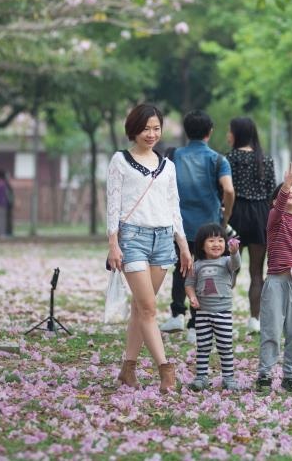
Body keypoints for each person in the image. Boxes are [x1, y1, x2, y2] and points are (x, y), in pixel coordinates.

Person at [106, 103, 192, 393]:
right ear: (133, 129)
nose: (151, 134)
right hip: (132, 240)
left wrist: (182, 243)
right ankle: (166, 370)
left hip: (163, 240)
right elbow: (113, 204)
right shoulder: (120, 161)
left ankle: (127, 370)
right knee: (149, 308)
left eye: (156, 128)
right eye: (146, 128)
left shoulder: (169, 166)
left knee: (140, 309)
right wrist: (113, 243)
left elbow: (174, 206)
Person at [159, 110, 234, 343]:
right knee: (203, 272)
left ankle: (177, 315)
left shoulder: (172, 155)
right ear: (209, 133)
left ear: (186, 131)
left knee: (181, 268)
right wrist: (224, 219)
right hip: (208, 225)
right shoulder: (218, 159)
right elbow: (229, 190)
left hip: (178, 224)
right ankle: (195, 325)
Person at [257, 162, 292, 392]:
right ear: (275, 202)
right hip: (275, 283)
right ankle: (265, 374)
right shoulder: (275, 219)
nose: (291, 193)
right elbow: (280, 204)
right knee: (271, 330)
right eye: (286, 191)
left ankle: (290, 375)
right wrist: (287, 184)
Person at [225, 116, 276, 335]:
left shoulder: (228, 159)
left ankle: (223, 319)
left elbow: (225, 190)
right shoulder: (265, 160)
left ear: (237, 134)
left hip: (235, 215)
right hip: (260, 216)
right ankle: (255, 320)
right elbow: (272, 191)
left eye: (230, 131)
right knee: (257, 272)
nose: (228, 135)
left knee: (229, 270)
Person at [185, 223, 242, 391]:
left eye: (220, 240)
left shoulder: (226, 262)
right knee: (203, 346)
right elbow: (189, 284)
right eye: (211, 240)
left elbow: (236, 265)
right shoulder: (197, 265)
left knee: (225, 347)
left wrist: (234, 253)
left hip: (223, 313)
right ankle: (201, 377)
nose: (216, 244)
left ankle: (229, 378)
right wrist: (192, 296)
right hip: (202, 313)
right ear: (202, 244)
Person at [0, 169, 15, 235]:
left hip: (7, 204)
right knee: (6, 219)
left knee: (8, 219)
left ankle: (9, 232)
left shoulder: (5, 184)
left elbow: (9, 195)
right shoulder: (5, 184)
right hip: (6, 203)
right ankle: (7, 232)